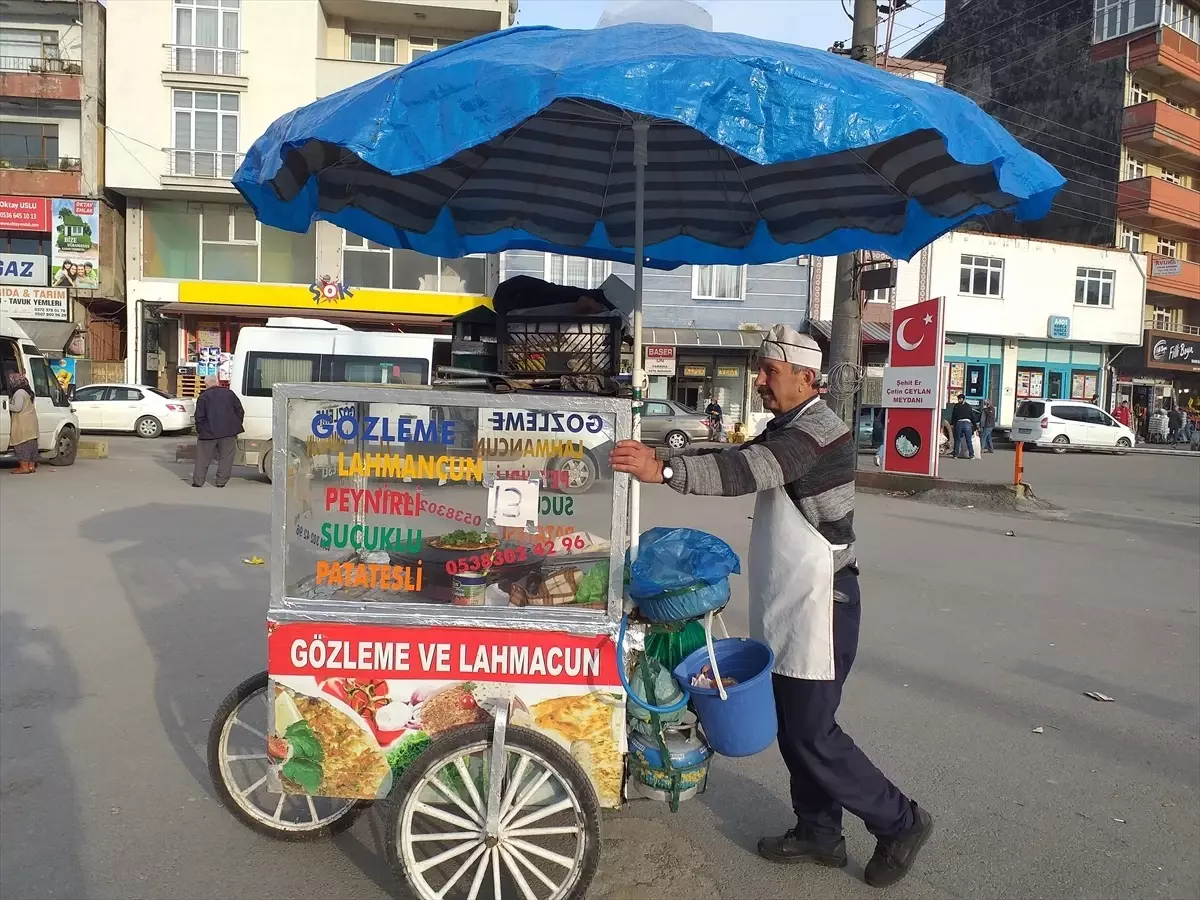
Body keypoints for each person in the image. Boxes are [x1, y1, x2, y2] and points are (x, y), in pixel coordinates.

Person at [610, 324, 933, 888]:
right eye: (760, 369)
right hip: (790, 598)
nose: (759, 379)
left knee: (813, 732)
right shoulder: (785, 426)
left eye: (769, 371)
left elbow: (747, 469)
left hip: (822, 603)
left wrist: (662, 470)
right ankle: (819, 833)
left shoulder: (818, 431)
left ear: (807, 377)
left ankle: (901, 820)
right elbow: (739, 453)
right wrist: (667, 456)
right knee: (793, 727)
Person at [192, 376, 244, 487]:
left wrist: (200, 430)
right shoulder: (229, 394)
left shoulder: (203, 397)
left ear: (206, 384)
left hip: (207, 433)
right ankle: (221, 482)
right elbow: (239, 410)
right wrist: (235, 424)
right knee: (226, 458)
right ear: (217, 382)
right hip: (228, 432)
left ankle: (198, 481)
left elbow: (199, 417)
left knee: (203, 458)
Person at [7, 371, 39, 475]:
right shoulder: (28, 392)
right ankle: (31, 466)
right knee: (31, 445)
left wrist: (6, 405)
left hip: (23, 423)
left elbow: (17, 407)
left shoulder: (19, 392)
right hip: (31, 422)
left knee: (22, 444)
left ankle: (24, 467)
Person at [949, 394, 977, 459]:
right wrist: (975, 426)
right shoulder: (969, 406)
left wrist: (952, 424)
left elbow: (954, 416)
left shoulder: (956, 406)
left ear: (963, 399)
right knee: (969, 440)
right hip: (967, 423)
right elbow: (972, 417)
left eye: (960, 399)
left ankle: (955, 455)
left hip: (959, 423)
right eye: (958, 399)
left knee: (957, 439)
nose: (959, 400)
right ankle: (971, 455)